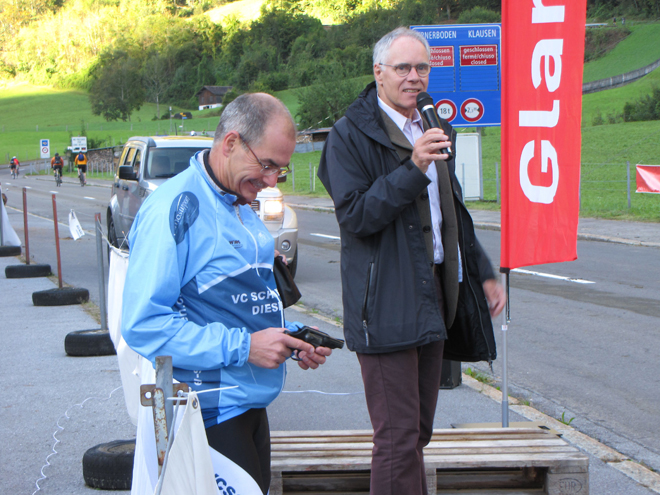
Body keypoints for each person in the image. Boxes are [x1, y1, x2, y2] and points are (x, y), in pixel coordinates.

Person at [317, 27, 506, 495]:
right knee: (397, 438)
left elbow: (451, 210)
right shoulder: (348, 135)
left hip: (435, 293)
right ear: (378, 73)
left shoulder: (434, 124)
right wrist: (414, 167)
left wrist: (482, 270)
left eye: (422, 67)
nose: (414, 78)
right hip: (383, 301)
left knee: (417, 433)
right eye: (403, 68)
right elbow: (357, 216)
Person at [122, 93, 332, 494]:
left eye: (280, 171)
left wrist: (290, 336)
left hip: (249, 401)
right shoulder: (177, 208)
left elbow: (234, 302)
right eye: (267, 165)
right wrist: (245, 348)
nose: (271, 181)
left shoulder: (237, 197)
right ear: (231, 142)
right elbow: (143, 325)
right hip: (207, 409)